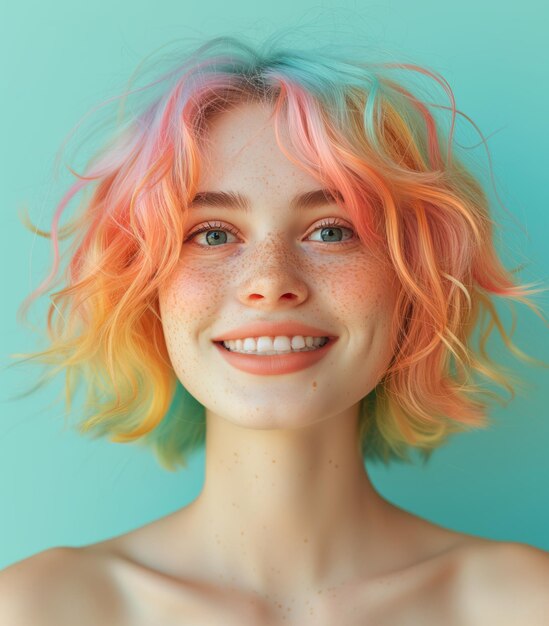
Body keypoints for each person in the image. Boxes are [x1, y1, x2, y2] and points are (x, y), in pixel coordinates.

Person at [1, 33, 548, 625]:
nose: (270, 282)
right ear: (145, 288)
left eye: (332, 230)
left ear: (413, 284)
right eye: (212, 233)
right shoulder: (38, 608)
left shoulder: (522, 603)